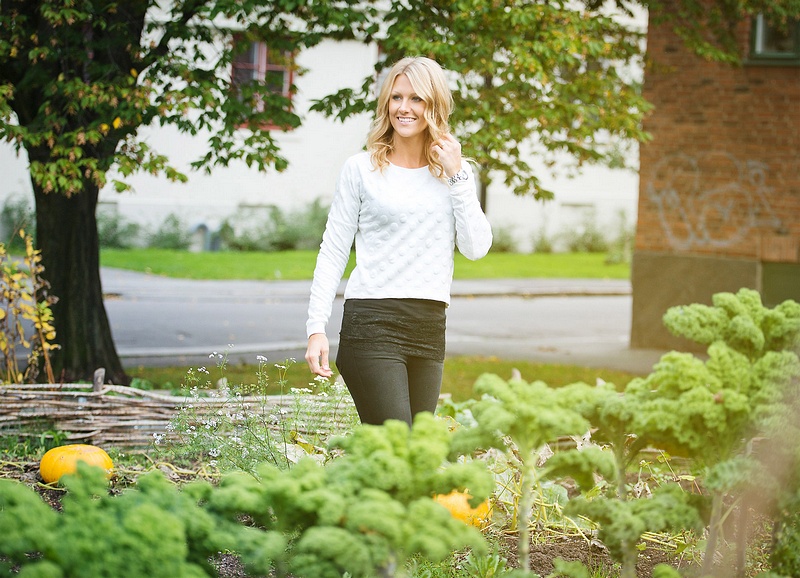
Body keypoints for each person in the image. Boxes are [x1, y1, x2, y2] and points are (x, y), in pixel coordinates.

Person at [304, 56, 492, 426]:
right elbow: (334, 251)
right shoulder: (361, 169)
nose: (403, 108)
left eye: (416, 98)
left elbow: (476, 248)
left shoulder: (455, 173)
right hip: (373, 324)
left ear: (434, 105)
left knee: (416, 451)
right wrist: (315, 329)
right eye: (396, 97)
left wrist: (456, 175)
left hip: (428, 326)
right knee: (399, 442)